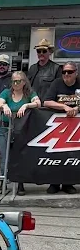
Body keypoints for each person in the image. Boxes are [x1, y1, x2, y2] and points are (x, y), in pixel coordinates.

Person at [0, 72, 40, 195]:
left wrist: (26, 105)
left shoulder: (29, 93)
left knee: (20, 157)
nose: (16, 83)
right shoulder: (6, 93)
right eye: (14, 81)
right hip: (5, 128)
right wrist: (4, 106)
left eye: (19, 81)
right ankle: (3, 182)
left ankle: (20, 183)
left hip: (21, 130)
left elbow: (38, 103)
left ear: (24, 82)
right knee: (5, 157)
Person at [43, 60, 80, 194]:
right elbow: (46, 101)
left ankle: (68, 184)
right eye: (64, 72)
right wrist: (64, 106)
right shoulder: (57, 83)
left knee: (72, 155)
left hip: (76, 128)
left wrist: (77, 108)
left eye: (70, 72)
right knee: (55, 156)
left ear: (76, 73)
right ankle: (54, 184)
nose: (66, 74)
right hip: (58, 126)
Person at [27, 38, 61, 104]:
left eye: (44, 51)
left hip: (48, 106)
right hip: (33, 105)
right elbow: (27, 87)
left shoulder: (56, 68)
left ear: (50, 52)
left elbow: (59, 89)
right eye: (39, 51)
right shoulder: (32, 68)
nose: (41, 53)